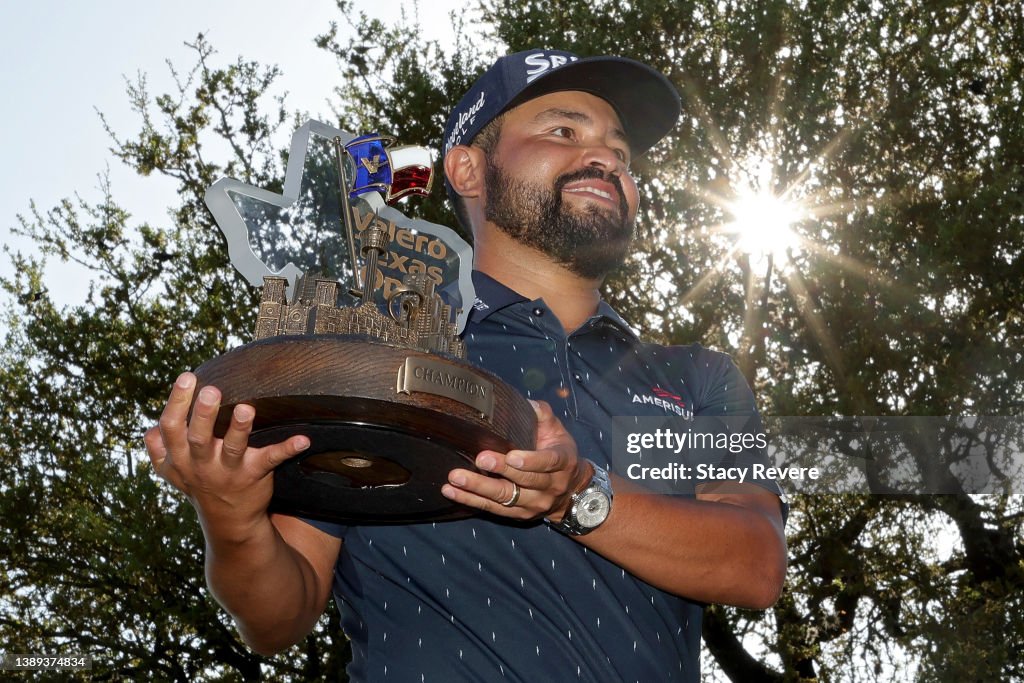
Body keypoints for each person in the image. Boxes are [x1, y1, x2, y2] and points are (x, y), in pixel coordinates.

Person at [145, 48, 787, 682]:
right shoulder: (376, 357)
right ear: (468, 169)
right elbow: (279, 618)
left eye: (620, 152)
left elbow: (755, 564)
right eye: (563, 131)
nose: (604, 158)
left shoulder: (696, 377)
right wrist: (231, 519)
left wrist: (576, 496)